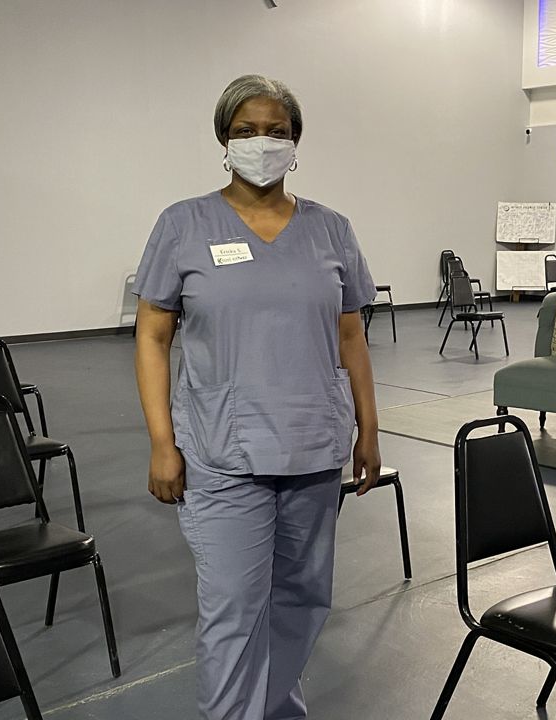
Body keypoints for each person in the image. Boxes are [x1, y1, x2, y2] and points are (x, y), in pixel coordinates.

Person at [133, 75, 381, 720]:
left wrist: (369, 430)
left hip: (314, 448)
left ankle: (275, 712)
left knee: (302, 600)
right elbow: (154, 335)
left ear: (296, 141)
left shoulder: (331, 230)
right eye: (246, 130)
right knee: (234, 612)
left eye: (276, 130)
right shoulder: (183, 224)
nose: (261, 142)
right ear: (223, 139)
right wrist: (163, 443)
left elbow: (351, 335)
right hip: (221, 453)